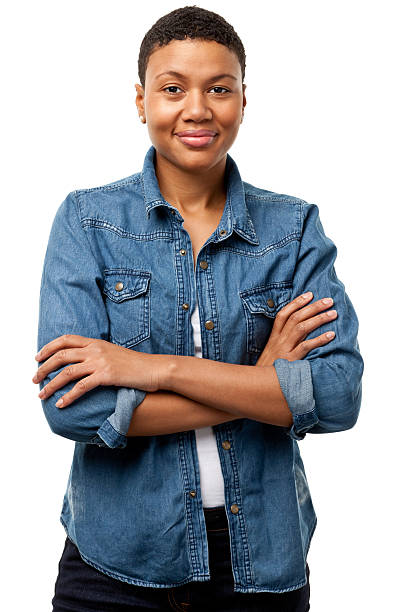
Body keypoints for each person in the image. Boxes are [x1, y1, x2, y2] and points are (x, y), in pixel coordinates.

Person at [33, 6, 364, 611]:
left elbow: (338, 397)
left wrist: (149, 368)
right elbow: (72, 412)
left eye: (219, 88)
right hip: (114, 568)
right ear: (140, 100)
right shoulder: (87, 221)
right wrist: (262, 383)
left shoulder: (292, 229)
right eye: (172, 88)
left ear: (244, 97)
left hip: (259, 567)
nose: (197, 109)